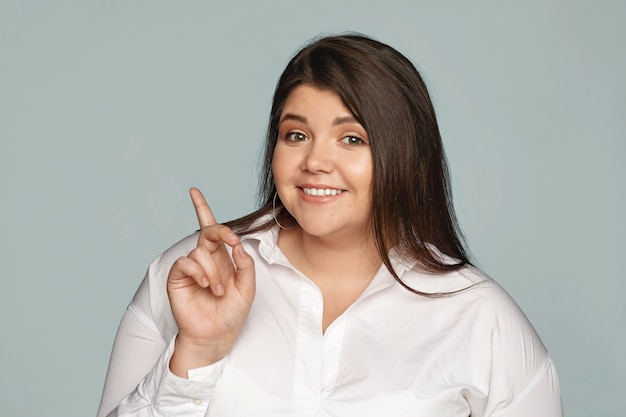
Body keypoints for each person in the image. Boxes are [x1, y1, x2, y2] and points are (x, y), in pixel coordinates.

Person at [97, 34, 563, 417]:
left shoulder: (480, 318)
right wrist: (198, 351)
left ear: (404, 155)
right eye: (295, 135)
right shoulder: (192, 275)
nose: (316, 161)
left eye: (351, 138)